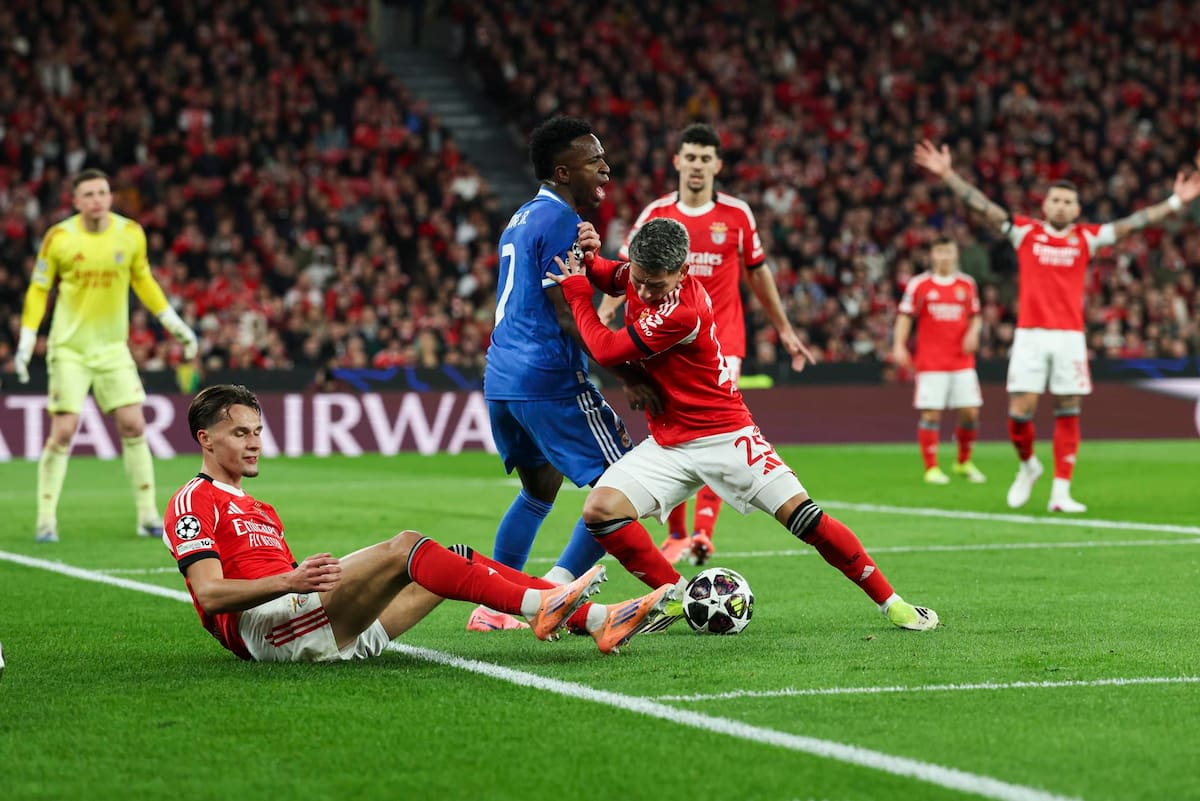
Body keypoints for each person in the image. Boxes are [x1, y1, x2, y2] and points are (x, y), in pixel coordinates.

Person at [550, 218, 938, 633]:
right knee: (601, 511)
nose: (644, 292)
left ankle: (892, 603)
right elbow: (614, 276)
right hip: (669, 442)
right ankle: (680, 597)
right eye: (640, 280)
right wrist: (587, 258)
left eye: (655, 285)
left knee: (804, 518)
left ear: (683, 273)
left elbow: (606, 350)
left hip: (726, 435)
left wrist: (575, 290)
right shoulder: (646, 274)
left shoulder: (683, 310)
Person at [162, 384, 673, 661]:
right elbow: (208, 594)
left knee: (456, 560)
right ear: (206, 440)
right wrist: (293, 580)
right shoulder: (192, 501)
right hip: (269, 634)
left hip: (309, 624)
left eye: (257, 431)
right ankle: (541, 606)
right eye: (239, 434)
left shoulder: (258, 507)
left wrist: (298, 580)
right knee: (406, 545)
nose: (253, 443)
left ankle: (599, 621)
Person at [914, 141, 1200, 512]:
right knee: (1020, 411)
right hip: (1031, 335)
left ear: (1077, 209)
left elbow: (1135, 223)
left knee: (1068, 407)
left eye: (1068, 201)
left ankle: (1061, 491)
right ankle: (1028, 465)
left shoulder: (1087, 237)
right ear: (1045, 205)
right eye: (1056, 200)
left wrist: (1176, 201)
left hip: (1069, 337)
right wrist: (948, 175)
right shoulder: (1025, 233)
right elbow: (981, 206)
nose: (1061, 206)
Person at [473, 116, 660, 632]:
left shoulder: (523, 217)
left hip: (503, 376)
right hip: (548, 376)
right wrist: (626, 374)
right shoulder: (556, 220)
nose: (606, 167)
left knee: (539, 489)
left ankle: (493, 606)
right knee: (623, 486)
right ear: (562, 171)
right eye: (593, 159)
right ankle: (553, 593)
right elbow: (565, 310)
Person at [597, 123, 811, 567]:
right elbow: (627, 268)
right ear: (677, 162)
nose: (697, 166)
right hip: (658, 340)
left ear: (717, 164)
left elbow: (758, 272)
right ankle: (677, 533)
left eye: (705, 158)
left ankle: (701, 534)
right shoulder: (656, 213)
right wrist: (605, 308)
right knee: (669, 426)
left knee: (713, 433)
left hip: (719, 341)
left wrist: (784, 327)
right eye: (690, 157)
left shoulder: (737, 215)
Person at [14, 168, 200, 542]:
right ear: (76, 200)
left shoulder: (130, 233)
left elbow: (143, 279)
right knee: (64, 430)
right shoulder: (61, 237)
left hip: (113, 349)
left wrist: (172, 321)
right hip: (69, 348)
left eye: (103, 192)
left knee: (134, 425)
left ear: (110, 196)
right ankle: (46, 519)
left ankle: (148, 517)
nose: (97, 199)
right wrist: (26, 338)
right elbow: (39, 289)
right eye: (89, 194)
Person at [892, 236, 986, 485]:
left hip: (962, 361)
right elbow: (905, 316)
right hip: (931, 361)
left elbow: (975, 315)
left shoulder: (967, 284)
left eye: (949, 251)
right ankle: (931, 467)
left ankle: (963, 461)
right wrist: (899, 345)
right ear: (932, 256)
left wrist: (973, 332)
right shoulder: (919, 284)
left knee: (970, 413)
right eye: (940, 252)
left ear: (956, 255)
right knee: (931, 414)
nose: (944, 256)